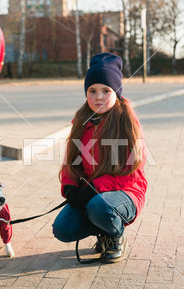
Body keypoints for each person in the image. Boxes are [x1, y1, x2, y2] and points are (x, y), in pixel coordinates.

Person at [52, 52, 148, 263]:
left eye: (106, 90)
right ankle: (103, 230)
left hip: (125, 192)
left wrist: (95, 188)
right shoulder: (81, 119)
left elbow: (130, 172)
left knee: (99, 206)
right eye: (92, 91)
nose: (98, 97)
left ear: (117, 92)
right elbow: (71, 161)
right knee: (62, 229)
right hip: (92, 193)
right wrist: (70, 187)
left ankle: (115, 235)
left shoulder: (126, 121)